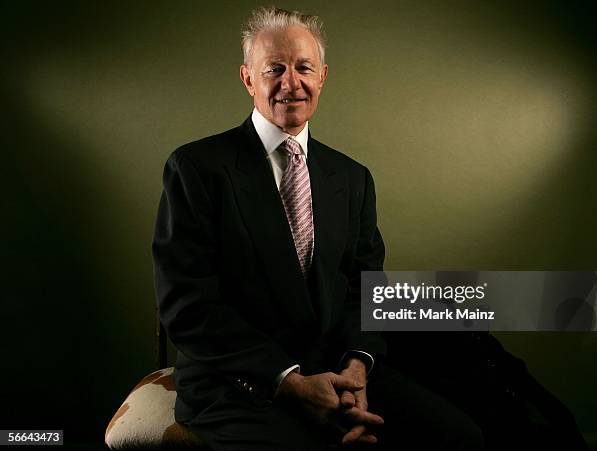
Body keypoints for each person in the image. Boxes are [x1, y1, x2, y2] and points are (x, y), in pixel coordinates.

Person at [153, 6, 484, 451]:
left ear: (322, 76)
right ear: (248, 79)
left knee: (461, 438)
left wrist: (356, 368)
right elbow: (186, 307)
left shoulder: (351, 178)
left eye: (304, 67)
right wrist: (289, 381)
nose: (292, 82)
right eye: (275, 68)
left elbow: (365, 290)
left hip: (337, 373)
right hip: (236, 383)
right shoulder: (196, 168)